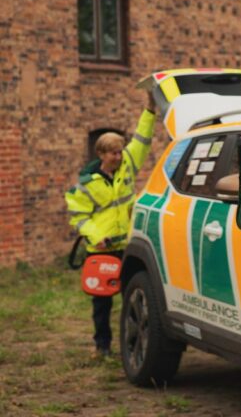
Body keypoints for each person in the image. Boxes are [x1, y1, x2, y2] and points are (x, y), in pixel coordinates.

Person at [65, 91, 156, 358]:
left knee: (132, 297)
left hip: (127, 244)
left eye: (120, 151)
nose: (120, 156)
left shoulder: (127, 164)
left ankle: (133, 344)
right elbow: (79, 218)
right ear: (102, 154)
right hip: (101, 249)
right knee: (102, 302)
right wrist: (96, 235)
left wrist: (150, 110)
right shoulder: (86, 183)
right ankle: (101, 346)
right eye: (114, 153)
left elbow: (142, 140)